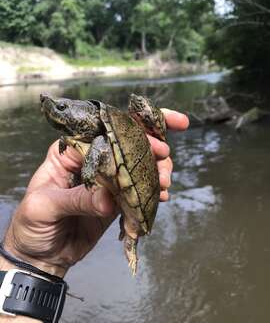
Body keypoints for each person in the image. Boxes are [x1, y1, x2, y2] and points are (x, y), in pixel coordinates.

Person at [0, 109, 189, 323]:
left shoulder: (99, 139)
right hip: (117, 185)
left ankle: (131, 238)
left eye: (62, 108)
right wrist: (33, 261)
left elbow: (101, 143)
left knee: (131, 228)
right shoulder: (83, 140)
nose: (54, 110)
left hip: (133, 196)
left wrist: (30, 263)